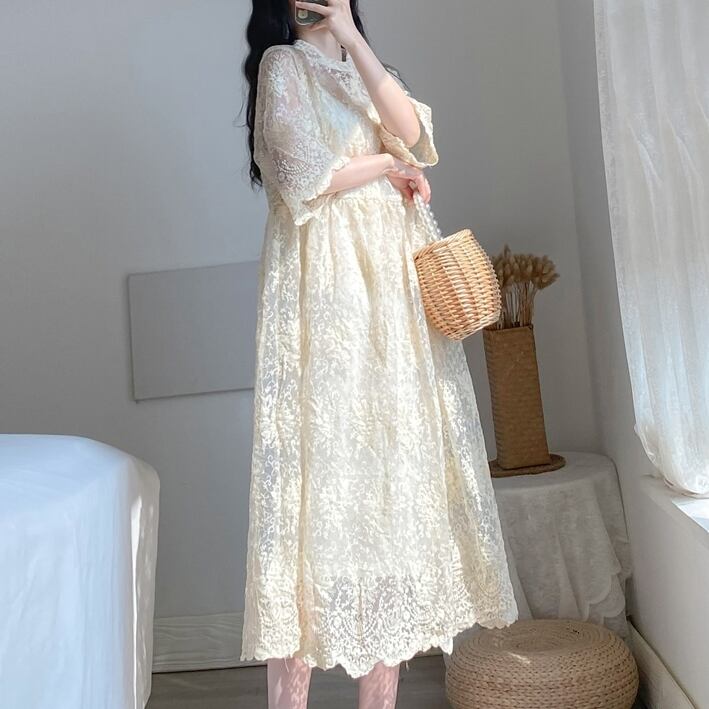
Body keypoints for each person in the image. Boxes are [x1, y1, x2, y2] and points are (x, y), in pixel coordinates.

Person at [240, 1, 518, 707]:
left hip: (392, 297)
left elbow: (417, 135)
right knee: (317, 492)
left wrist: (353, 40)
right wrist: (387, 163)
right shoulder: (282, 66)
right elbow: (304, 172)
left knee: (395, 488)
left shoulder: (367, 71)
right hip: (329, 289)